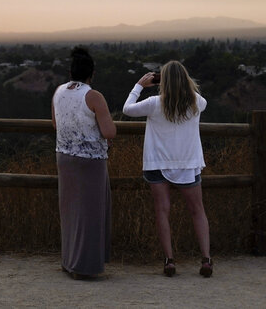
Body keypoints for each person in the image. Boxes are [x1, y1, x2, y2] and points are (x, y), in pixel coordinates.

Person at [123, 60, 212, 277]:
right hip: (187, 164)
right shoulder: (197, 103)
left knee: (162, 211)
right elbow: (199, 98)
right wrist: (176, 81)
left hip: (158, 164)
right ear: (185, 79)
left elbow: (127, 109)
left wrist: (139, 86)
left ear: (162, 81)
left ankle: (169, 261)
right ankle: (206, 259)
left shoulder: (154, 103)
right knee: (197, 211)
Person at [51, 46, 116, 279]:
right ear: (92, 73)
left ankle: (69, 261)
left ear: (71, 71)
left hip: (64, 157)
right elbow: (109, 131)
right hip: (90, 161)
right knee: (90, 213)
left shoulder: (59, 92)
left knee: (70, 210)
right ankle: (85, 266)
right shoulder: (93, 96)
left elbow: (56, 125)